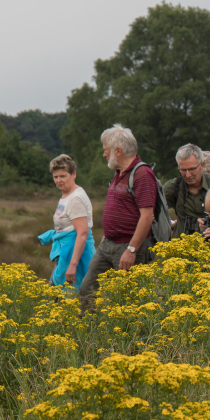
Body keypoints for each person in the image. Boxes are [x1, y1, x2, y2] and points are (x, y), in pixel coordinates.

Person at [78, 124, 157, 300]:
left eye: (106, 150)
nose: (104, 154)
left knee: (127, 299)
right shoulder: (118, 172)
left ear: (118, 151)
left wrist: (131, 250)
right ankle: (87, 326)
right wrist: (108, 234)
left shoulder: (142, 174)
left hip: (128, 246)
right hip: (108, 244)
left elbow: (147, 216)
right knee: (87, 291)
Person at [39, 154, 95, 289]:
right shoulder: (66, 194)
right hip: (66, 253)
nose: (59, 180)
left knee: (67, 300)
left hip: (76, 256)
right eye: (55, 177)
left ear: (73, 174)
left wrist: (73, 265)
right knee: (58, 297)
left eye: (63, 176)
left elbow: (82, 233)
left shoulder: (75, 199)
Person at [163, 144, 210, 236]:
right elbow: (150, 208)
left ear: (202, 165)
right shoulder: (173, 187)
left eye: (192, 169)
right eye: (183, 170)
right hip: (181, 246)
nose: (188, 175)